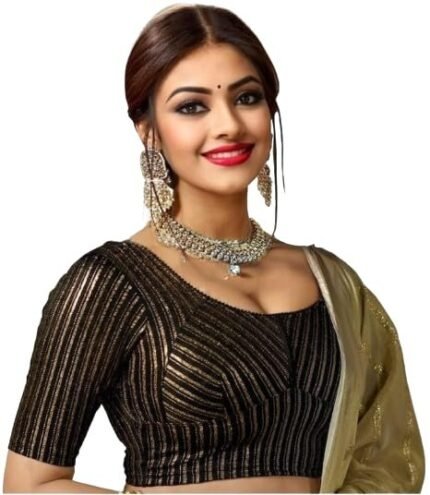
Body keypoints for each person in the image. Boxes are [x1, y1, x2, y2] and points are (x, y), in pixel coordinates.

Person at [3, 3, 425, 494]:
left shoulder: (334, 284)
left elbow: (388, 459)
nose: (228, 124)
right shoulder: (109, 284)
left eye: (247, 98)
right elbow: (29, 486)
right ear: (147, 129)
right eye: (192, 106)